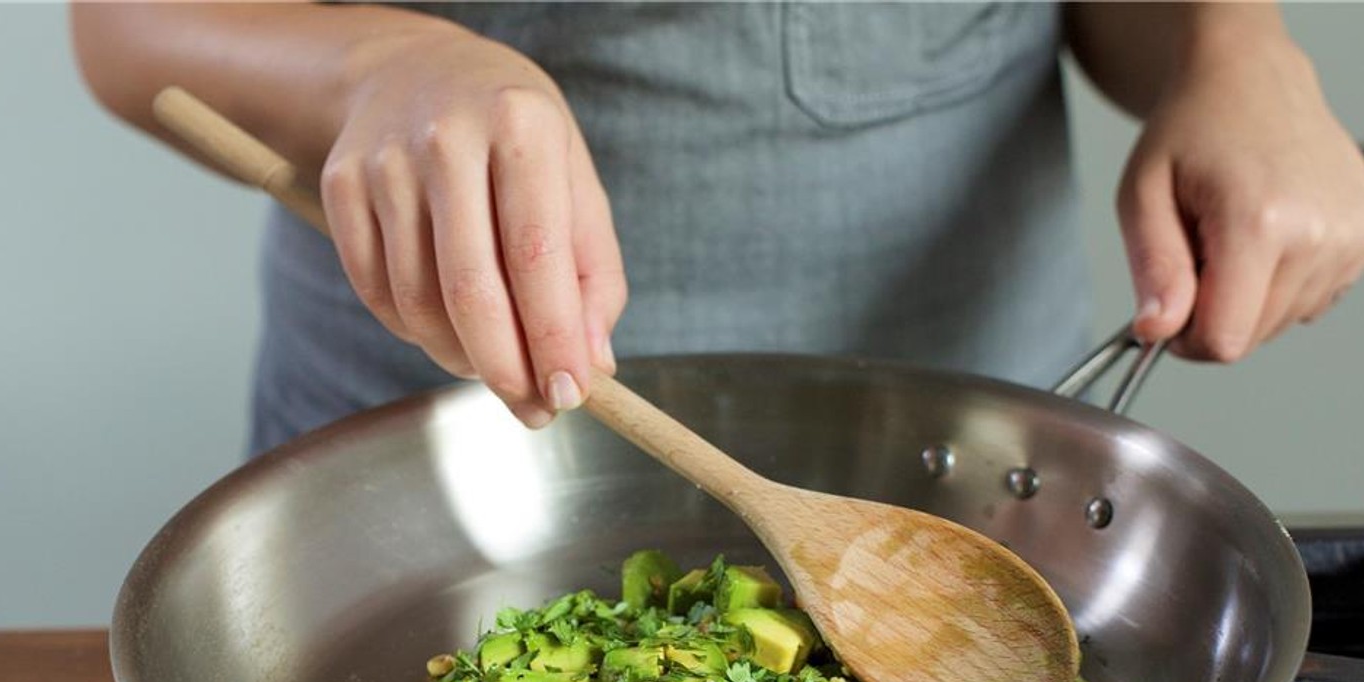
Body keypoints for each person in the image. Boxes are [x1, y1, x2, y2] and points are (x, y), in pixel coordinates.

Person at [71, 2, 1364, 454]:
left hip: (968, 437)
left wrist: (1233, 47)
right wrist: (372, 64)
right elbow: (128, 25)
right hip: (424, 463)